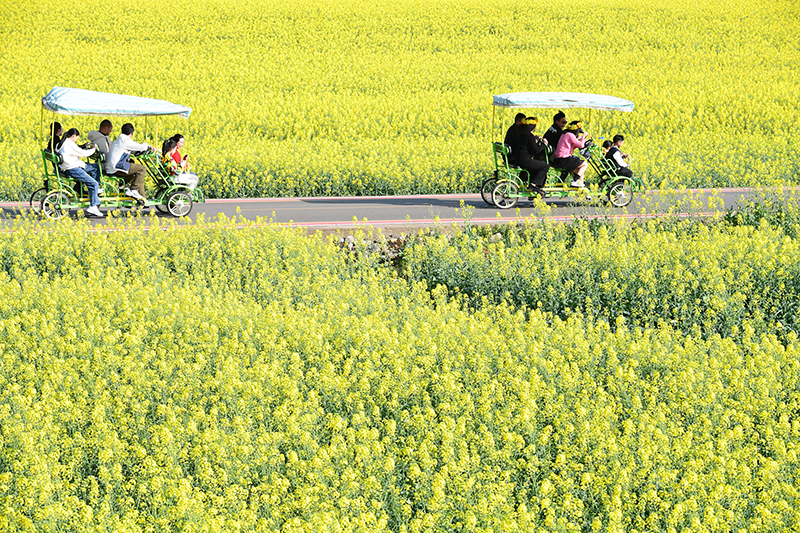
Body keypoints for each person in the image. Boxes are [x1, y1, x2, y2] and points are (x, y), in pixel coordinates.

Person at [58, 128, 104, 218]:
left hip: (70, 166)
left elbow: (77, 149)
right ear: (74, 136)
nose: (77, 140)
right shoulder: (70, 144)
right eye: (77, 138)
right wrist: (94, 149)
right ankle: (93, 206)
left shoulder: (64, 142)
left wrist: (84, 146)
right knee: (93, 183)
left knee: (95, 168)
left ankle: (96, 190)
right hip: (73, 168)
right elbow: (83, 153)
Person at [105, 123, 153, 201]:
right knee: (142, 169)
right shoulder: (125, 141)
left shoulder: (120, 139)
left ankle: (143, 200)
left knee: (137, 178)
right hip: (116, 167)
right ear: (132, 133)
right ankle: (133, 190)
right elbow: (140, 146)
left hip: (112, 166)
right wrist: (149, 146)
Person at [504, 116, 549, 190]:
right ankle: (533, 184)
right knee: (545, 166)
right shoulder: (529, 136)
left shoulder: (522, 134)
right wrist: (544, 145)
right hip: (524, 160)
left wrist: (535, 139)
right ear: (533, 128)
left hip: (518, 159)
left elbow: (527, 145)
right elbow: (535, 151)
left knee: (536, 165)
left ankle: (531, 184)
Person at [552, 120, 590, 188]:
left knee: (580, 171)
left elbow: (574, 145)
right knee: (585, 164)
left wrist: (582, 140)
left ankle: (581, 187)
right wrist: (583, 137)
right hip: (564, 159)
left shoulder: (565, 134)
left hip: (560, 159)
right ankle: (575, 180)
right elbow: (581, 145)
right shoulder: (570, 135)